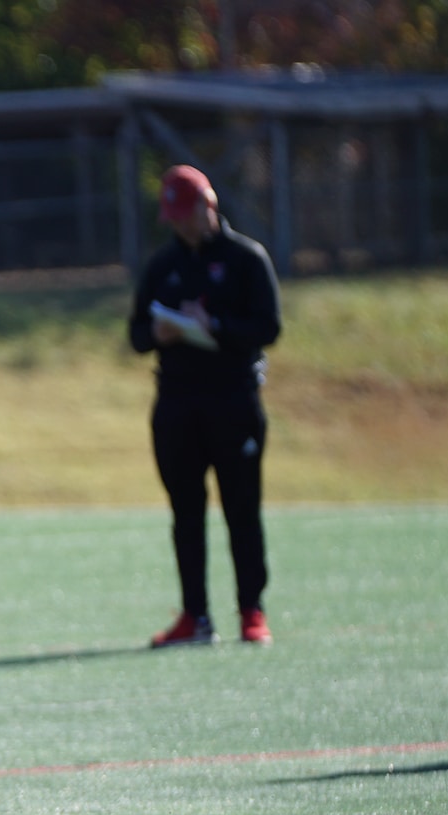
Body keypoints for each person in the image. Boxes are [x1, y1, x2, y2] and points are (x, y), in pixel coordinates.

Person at [128, 165, 281, 647]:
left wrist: (213, 324)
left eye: (183, 214)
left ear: (207, 206)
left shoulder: (246, 259)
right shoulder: (162, 265)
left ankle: (251, 611)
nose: (178, 225)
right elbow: (135, 334)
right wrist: (159, 332)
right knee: (186, 513)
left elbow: (268, 329)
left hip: (233, 402)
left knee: (242, 511)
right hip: (176, 404)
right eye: (171, 216)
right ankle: (195, 616)